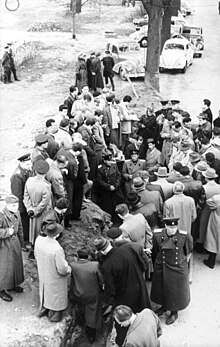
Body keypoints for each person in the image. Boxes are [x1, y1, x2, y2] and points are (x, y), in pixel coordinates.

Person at [93, 236, 151, 346]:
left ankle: (123, 341)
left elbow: (110, 288)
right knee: (141, 314)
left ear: (100, 251)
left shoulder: (107, 265)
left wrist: (108, 301)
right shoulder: (126, 249)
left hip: (124, 296)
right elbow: (142, 263)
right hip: (138, 287)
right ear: (109, 243)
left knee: (124, 321)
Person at [151, 217, 193, 325]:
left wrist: (182, 263)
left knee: (176, 291)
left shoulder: (184, 236)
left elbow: (188, 251)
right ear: (165, 226)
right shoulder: (157, 235)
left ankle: (174, 311)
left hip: (177, 267)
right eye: (170, 227)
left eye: (174, 228)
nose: (172, 230)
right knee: (162, 288)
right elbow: (156, 249)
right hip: (162, 265)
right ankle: (164, 306)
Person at [35, 221, 71, 322]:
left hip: (43, 272)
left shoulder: (39, 240)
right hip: (54, 277)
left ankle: (43, 309)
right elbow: (62, 269)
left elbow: (36, 255)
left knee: (45, 291)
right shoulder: (57, 249)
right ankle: (53, 316)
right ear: (57, 234)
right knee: (55, 296)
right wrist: (69, 269)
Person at [69, 248, 104, 343]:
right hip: (92, 294)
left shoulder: (73, 266)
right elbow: (101, 280)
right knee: (93, 312)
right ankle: (91, 335)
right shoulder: (94, 265)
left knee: (81, 309)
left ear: (77, 256)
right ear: (89, 256)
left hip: (78, 294)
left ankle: (81, 324)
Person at [23, 159, 52, 259]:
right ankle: (38, 251)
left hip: (31, 210)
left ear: (35, 171)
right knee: (40, 230)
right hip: (42, 213)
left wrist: (29, 209)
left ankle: (33, 249)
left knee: (32, 230)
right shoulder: (46, 186)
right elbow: (45, 202)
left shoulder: (29, 180)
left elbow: (25, 196)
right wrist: (36, 211)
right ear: (46, 172)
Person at [0, 195, 25, 302]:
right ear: (7, 205)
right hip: (4, 245)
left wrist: (22, 243)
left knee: (16, 265)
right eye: (13, 205)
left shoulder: (17, 213)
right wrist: (6, 232)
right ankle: (1, 290)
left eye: (17, 205)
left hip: (15, 243)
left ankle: (13, 284)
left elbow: (20, 228)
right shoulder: (1, 216)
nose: (16, 207)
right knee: (6, 268)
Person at [96, 149, 125, 219]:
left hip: (116, 190)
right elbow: (100, 181)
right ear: (104, 161)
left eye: (110, 160)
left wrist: (116, 185)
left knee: (119, 203)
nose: (110, 162)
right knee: (108, 207)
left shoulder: (114, 166)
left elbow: (119, 176)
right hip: (106, 192)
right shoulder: (100, 169)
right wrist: (109, 187)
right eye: (108, 161)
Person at [10, 153, 32, 243]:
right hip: (22, 205)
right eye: (27, 164)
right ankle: (24, 241)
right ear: (21, 163)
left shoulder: (26, 170)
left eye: (29, 163)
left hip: (27, 202)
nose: (29, 166)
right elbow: (17, 195)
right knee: (23, 224)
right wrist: (22, 208)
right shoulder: (17, 176)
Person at [204, 194, 220, 268]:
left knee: (213, 240)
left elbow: (208, 201)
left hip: (217, 221)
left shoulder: (217, 198)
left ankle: (211, 262)